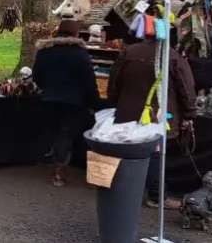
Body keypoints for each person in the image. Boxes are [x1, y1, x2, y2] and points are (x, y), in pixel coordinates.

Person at [109, 22, 197, 210]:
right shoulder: (172, 56)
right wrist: (190, 113)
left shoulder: (128, 52)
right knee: (155, 154)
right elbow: (186, 88)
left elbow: (114, 82)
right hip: (157, 116)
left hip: (128, 113)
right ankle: (156, 196)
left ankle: (125, 191)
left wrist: (116, 103)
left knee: (129, 152)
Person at [31, 19, 101, 187]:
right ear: (76, 34)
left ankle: (54, 161)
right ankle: (59, 171)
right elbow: (88, 81)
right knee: (66, 134)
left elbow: (36, 76)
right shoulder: (80, 53)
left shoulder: (45, 51)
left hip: (49, 99)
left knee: (56, 131)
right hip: (73, 101)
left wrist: (47, 88)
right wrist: (95, 102)